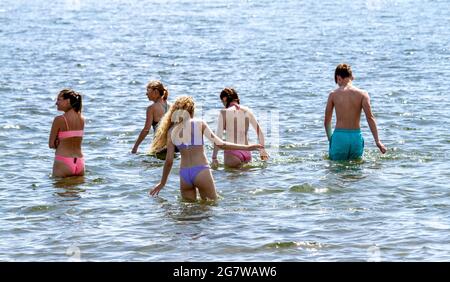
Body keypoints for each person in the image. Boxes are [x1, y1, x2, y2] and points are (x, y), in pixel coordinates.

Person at [148, 96, 263, 201]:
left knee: (188, 211)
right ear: (192, 110)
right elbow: (220, 144)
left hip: (184, 175)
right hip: (201, 171)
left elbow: (169, 161)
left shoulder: (171, 131)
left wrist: (162, 183)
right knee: (210, 207)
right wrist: (247, 147)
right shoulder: (199, 123)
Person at [324, 63, 387, 161]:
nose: (338, 84)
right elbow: (370, 118)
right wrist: (377, 141)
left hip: (339, 138)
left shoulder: (333, 95)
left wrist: (330, 139)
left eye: (337, 82)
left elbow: (327, 121)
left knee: (336, 172)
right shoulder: (363, 94)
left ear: (338, 77)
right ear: (352, 77)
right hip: (356, 138)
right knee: (356, 170)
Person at [211, 88, 269, 168]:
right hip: (247, 153)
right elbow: (260, 132)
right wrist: (262, 150)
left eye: (222, 102)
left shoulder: (224, 112)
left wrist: (214, 157)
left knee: (231, 177)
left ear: (225, 99)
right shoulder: (248, 110)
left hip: (232, 152)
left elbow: (218, 137)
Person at [49, 89, 85, 177]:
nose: (56, 103)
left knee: (58, 190)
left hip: (63, 162)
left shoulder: (59, 119)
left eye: (59, 100)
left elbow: (51, 145)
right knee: (77, 190)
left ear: (68, 101)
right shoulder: (82, 119)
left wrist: (59, 142)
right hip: (80, 162)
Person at [131, 80, 170, 154]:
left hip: (159, 146)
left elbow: (146, 130)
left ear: (155, 92)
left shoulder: (151, 108)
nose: (146, 94)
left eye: (148, 91)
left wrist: (135, 147)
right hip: (172, 145)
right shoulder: (171, 106)